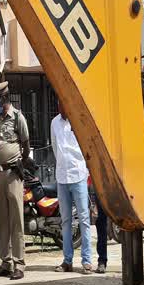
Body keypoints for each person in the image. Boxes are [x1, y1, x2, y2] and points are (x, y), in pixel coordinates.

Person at [0, 81, 30, 280]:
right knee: (3, 219)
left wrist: (18, 164)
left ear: (5, 98)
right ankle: (5, 261)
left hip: (13, 173)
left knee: (16, 219)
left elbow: (26, 145)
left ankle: (19, 263)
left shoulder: (18, 117)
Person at [51, 101, 93, 274]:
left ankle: (87, 260)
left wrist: (86, 169)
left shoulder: (79, 120)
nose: (62, 108)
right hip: (62, 176)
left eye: (64, 104)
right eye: (59, 104)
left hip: (78, 174)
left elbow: (86, 146)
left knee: (83, 219)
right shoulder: (54, 122)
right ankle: (67, 260)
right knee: (66, 220)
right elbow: (55, 147)